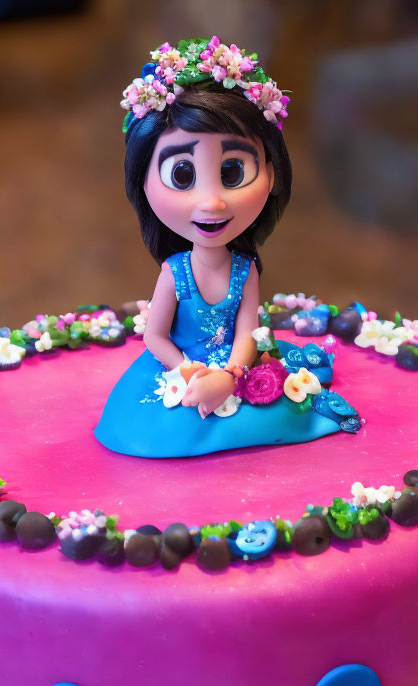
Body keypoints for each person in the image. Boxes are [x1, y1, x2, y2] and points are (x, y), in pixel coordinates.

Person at [95, 37, 349, 457]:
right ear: (144, 180)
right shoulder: (173, 273)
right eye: (181, 174)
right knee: (162, 429)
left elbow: (247, 332)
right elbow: (155, 337)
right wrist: (187, 370)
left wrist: (231, 376)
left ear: (270, 172)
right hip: (183, 370)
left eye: (232, 171)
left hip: (236, 367)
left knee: (284, 412)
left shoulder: (244, 269)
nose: (211, 202)